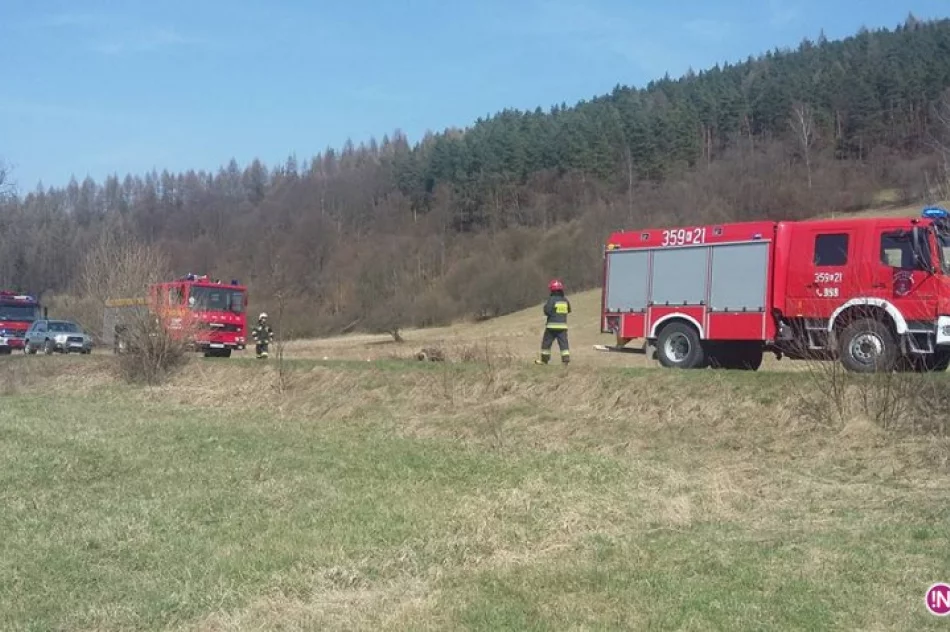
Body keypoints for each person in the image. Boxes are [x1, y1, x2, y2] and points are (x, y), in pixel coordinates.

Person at [535, 279, 571, 365]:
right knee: (563, 344)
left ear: (552, 290)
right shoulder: (565, 300)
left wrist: (545, 307)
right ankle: (565, 360)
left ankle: (544, 360)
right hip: (563, 327)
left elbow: (547, 311)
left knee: (546, 344)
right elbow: (569, 310)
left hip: (551, 327)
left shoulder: (551, 299)